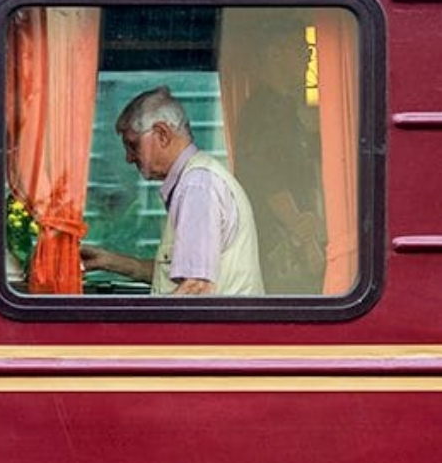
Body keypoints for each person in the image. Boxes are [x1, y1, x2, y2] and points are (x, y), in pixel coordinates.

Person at [79, 87, 264, 295]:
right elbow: (176, 276)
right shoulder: (197, 179)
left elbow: (196, 286)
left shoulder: (197, 185)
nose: (128, 158)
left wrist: (149, 327)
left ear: (162, 134)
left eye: (133, 145)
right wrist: (109, 262)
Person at [231, 23, 327, 293]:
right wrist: (307, 242)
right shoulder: (265, 112)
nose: (309, 58)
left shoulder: (284, 108)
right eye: (302, 49)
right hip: (283, 251)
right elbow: (269, 178)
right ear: (276, 53)